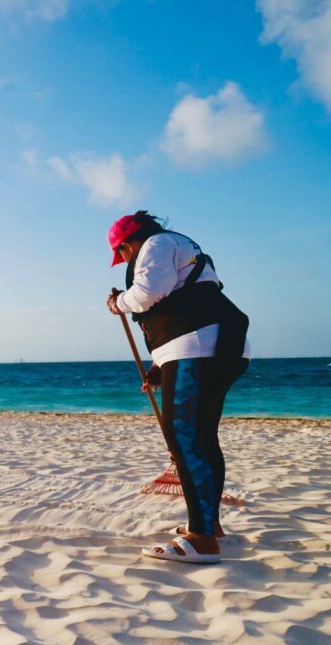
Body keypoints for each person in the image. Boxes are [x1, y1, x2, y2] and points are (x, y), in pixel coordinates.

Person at [106, 210, 250, 564]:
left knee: (184, 438)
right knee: (201, 438)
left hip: (197, 350)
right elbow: (188, 304)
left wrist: (117, 304)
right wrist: (160, 365)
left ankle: (202, 540)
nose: (124, 260)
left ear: (128, 243)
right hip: (215, 347)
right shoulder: (182, 246)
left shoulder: (156, 244)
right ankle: (208, 526)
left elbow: (147, 293)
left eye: (122, 254)